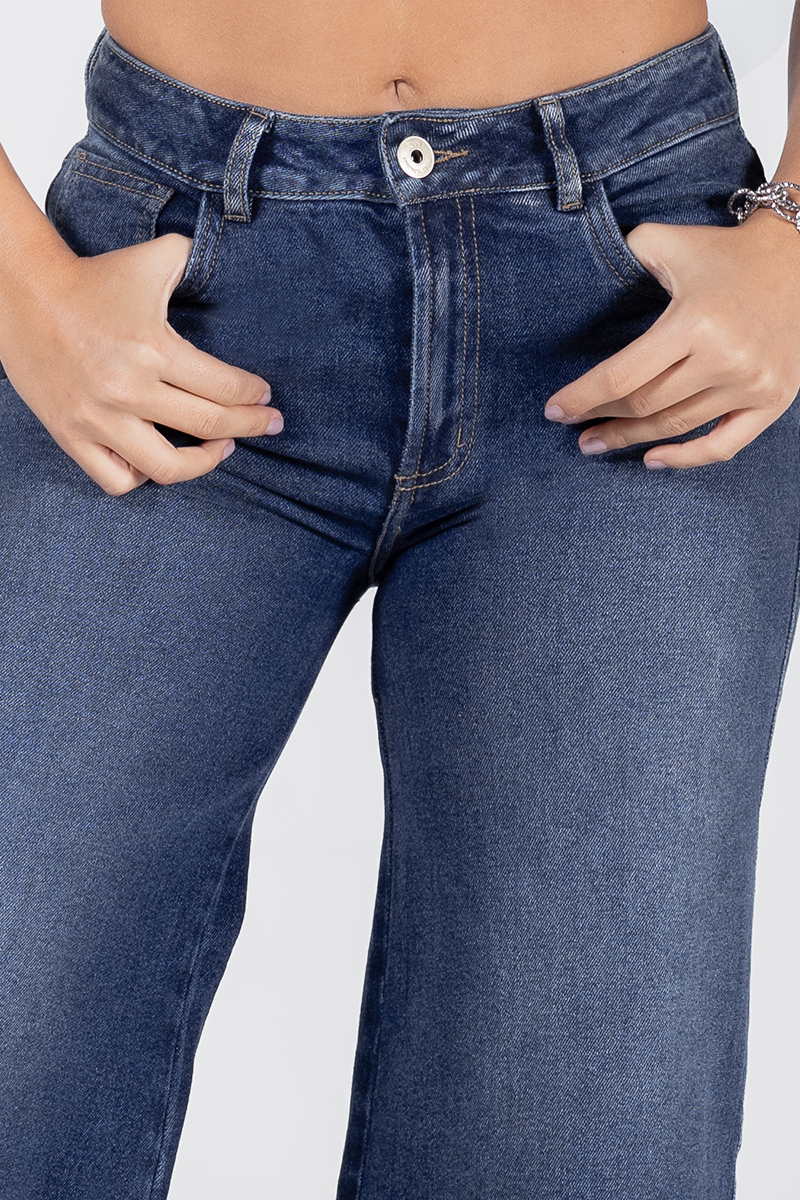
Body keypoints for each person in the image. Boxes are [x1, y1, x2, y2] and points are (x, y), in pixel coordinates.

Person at [0, 0, 798, 1195]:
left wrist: (796, 238)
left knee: (573, 1128)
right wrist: (23, 293)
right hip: (157, 295)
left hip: (640, 304)